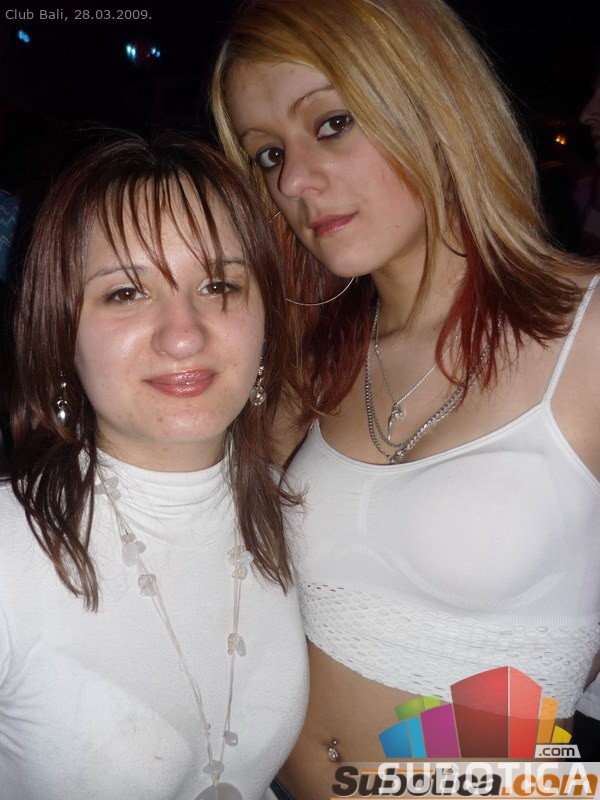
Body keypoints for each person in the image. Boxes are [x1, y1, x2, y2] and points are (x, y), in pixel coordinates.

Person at [211, 0, 600, 796]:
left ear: (431, 102)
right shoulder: (311, 353)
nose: (295, 182)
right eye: (268, 155)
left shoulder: (586, 334)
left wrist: (543, 772)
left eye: (331, 124)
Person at [0, 131, 308, 800]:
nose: (184, 335)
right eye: (125, 293)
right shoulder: (9, 550)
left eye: (219, 284)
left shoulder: (297, 515)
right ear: (60, 333)